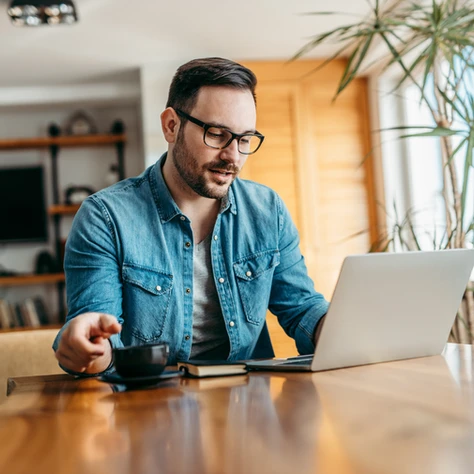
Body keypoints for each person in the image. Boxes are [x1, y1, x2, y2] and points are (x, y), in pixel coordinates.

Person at [53, 57, 329, 375]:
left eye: (244, 139)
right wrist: (89, 348)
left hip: (249, 405)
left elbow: (302, 308)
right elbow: (98, 337)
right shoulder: (105, 218)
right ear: (171, 126)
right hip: (147, 407)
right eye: (217, 134)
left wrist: (341, 328)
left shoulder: (267, 210)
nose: (233, 157)